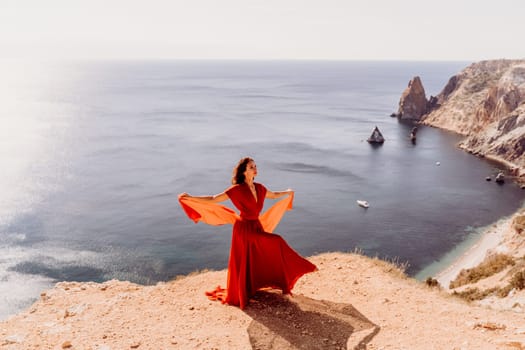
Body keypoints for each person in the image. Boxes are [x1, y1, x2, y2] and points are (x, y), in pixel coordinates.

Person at [178, 157, 317, 309]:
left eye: (255, 166)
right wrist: (190, 197)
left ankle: (256, 285)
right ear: (244, 171)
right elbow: (213, 199)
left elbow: (274, 195)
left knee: (254, 257)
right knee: (276, 240)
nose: (255, 168)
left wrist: (287, 192)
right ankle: (297, 268)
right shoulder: (237, 189)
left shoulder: (260, 188)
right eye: (251, 167)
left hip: (256, 226)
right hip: (243, 229)